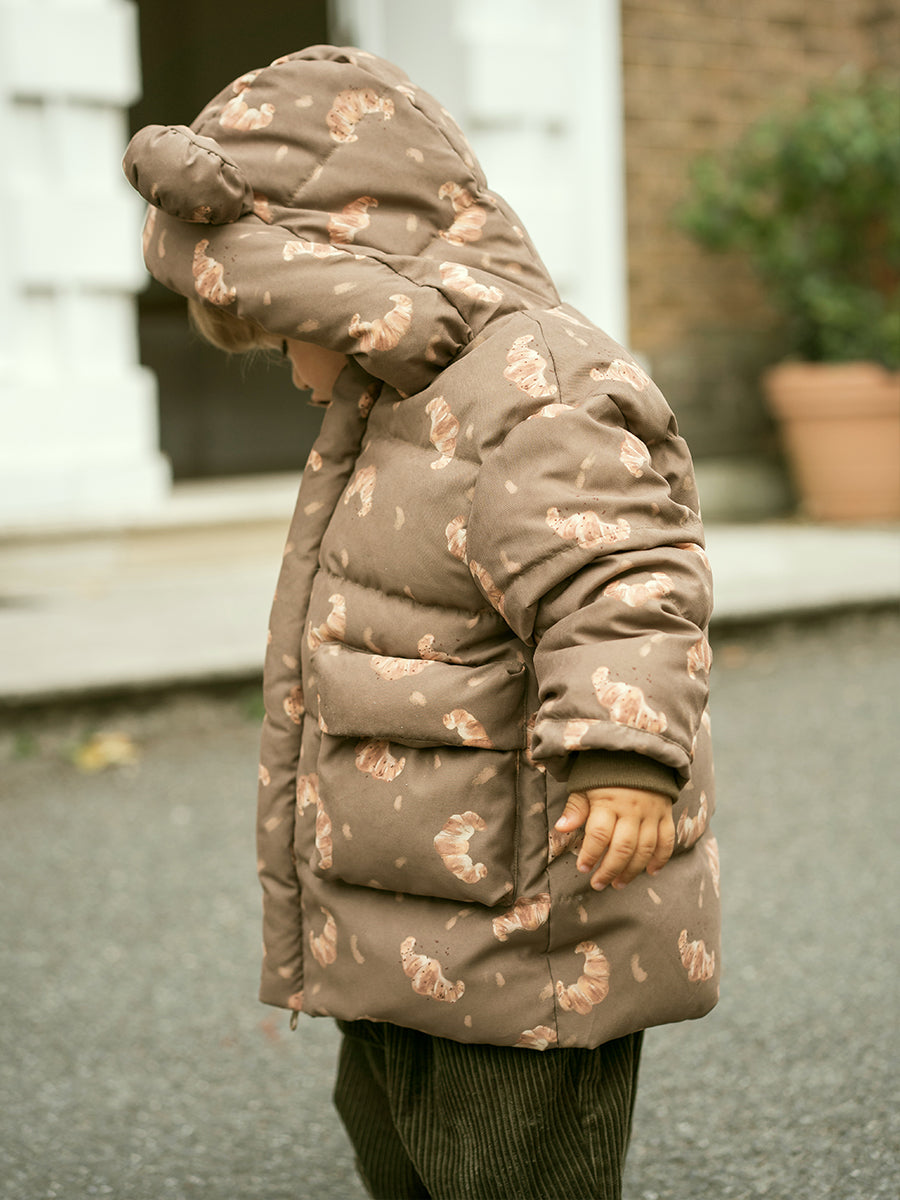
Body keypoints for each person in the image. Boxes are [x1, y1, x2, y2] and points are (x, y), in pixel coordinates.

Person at [124, 44, 720, 1200]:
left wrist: (623, 753)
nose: (297, 375)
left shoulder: (536, 390)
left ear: (348, 285)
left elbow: (623, 579)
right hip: (404, 912)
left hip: (526, 925)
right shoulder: (394, 406)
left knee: (507, 1163)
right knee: (395, 1135)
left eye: (287, 336)